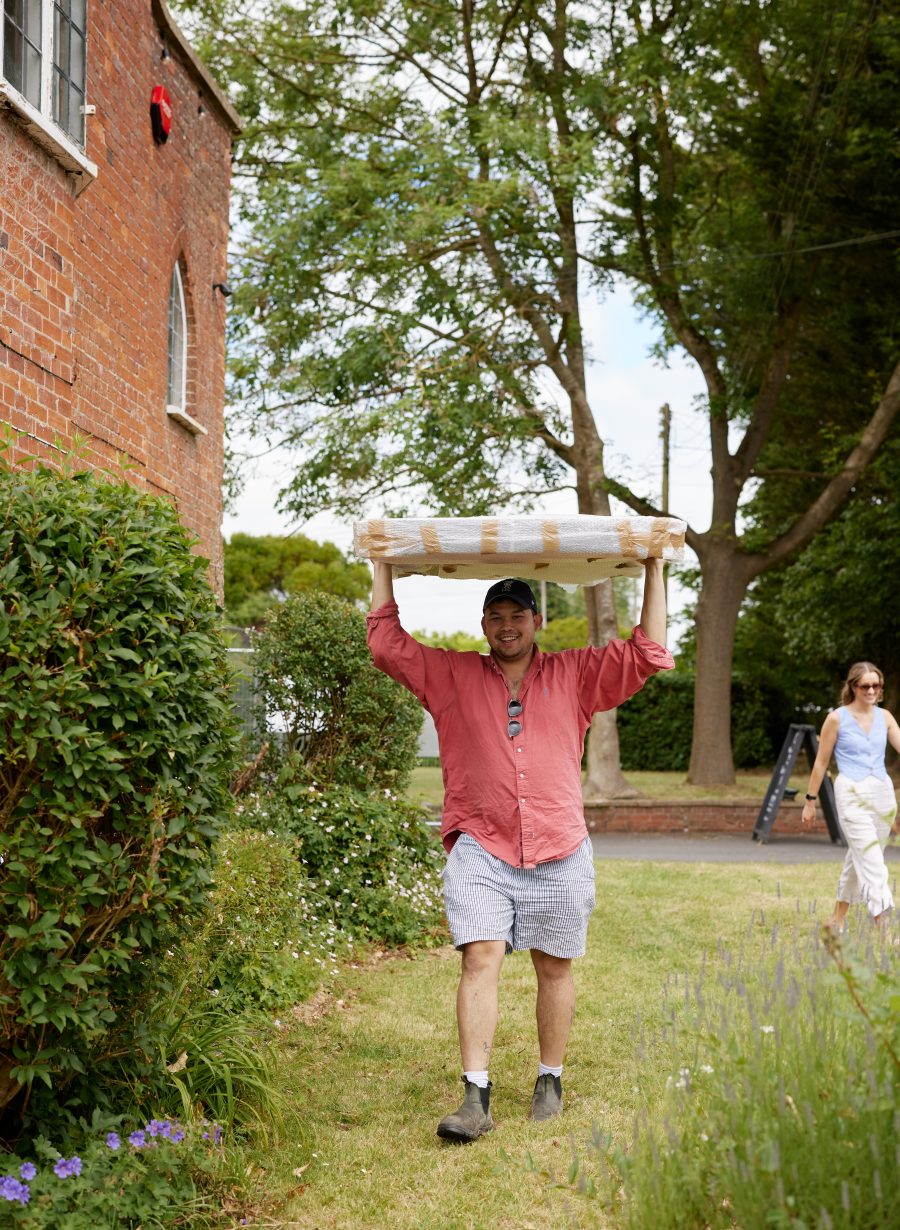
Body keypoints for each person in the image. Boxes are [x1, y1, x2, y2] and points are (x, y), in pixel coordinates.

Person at [366, 562, 673, 1142]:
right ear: (484, 624)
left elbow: (646, 652)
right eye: (496, 616)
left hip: (559, 843)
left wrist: (654, 568)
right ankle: (474, 1098)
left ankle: (549, 1080)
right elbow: (386, 645)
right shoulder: (451, 675)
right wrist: (382, 565)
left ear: (537, 621)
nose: (507, 626)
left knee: (554, 967)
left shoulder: (576, 673)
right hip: (482, 844)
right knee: (479, 957)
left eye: (517, 616)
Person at [801, 661, 899, 930]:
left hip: (883, 795)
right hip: (851, 793)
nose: (872, 691)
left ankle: (837, 918)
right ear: (853, 687)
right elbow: (821, 763)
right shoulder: (836, 718)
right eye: (866, 686)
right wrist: (810, 801)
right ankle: (884, 929)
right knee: (872, 861)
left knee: (861, 858)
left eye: (876, 685)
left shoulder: (885, 717)